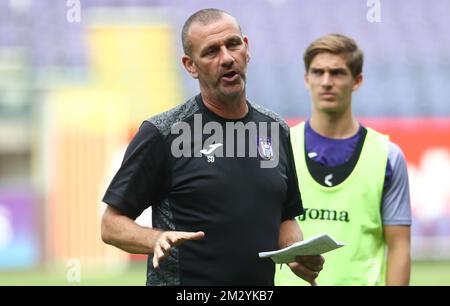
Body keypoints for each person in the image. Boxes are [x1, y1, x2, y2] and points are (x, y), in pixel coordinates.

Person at [101, 8, 324, 286]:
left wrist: (297, 254)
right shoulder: (163, 132)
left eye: (233, 44)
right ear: (190, 65)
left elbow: (285, 218)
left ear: (247, 48)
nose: (227, 58)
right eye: (211, 52)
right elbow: (111, 225)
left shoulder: (274, 128)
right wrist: (155, 238)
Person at [275, 34, 411, 286]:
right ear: (307, 79)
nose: (326, 82)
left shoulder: (388, 156)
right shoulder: (280, 148)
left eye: (337, 73)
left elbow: (399, 246)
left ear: (357, 80)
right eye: (318, 72)